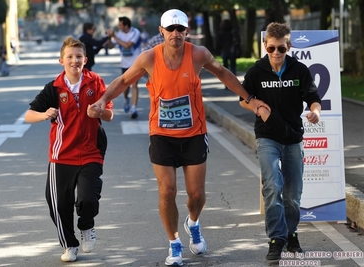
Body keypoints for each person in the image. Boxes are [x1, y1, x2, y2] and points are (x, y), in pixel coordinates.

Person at [89, 9, 269, 266]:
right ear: (161, 32)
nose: (175, 33)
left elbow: (223, 73)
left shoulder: (198, 54)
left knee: (196, 195)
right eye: (170, 29)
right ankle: (174, 244)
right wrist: (103, 99)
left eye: (180, 29)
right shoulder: (149, 58)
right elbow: (124, 80)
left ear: (187, 31)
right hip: (161, 135)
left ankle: (193, 223)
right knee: (167, 191)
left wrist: (250, 99)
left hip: (194, 133)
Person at [24, 36, 114, 262]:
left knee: (88, 198)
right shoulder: (53, 88)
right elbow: (28, 115)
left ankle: (86, 226)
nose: (75, 61)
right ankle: (69, 245)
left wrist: (99, 112)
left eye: (79, 56)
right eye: (70, 57)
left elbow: (110, 114)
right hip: (61, 155)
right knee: (58, 204)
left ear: (86, 59)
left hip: (91, 151)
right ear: (61, 61)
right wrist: (45, 114)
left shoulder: (96, 82)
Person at [239, 22, 321, 261]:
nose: (276, 53)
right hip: (267, 137)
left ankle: (291, 233)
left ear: (289, 46)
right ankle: (276, 238)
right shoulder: (256, 71)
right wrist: (255, 106)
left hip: (293, 138)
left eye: (281, 49)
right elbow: (243, 98)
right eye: (271, 48)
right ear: (265, 46)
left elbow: (314, 99)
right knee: (272, 186)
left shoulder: (299, 70)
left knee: (293, 193)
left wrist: (316, 112)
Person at [106, 16, 142, 119]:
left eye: (120, 24)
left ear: (126, 26)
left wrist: (115, 37)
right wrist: (109, 37)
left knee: (134, 85)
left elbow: (127, 45)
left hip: (136, 63)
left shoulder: (135, 32)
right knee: (126, 86)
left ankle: (134, 108)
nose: (118, 26)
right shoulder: (120, 34)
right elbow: (111, 46)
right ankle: (126, 99)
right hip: (124, 64)